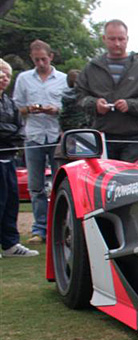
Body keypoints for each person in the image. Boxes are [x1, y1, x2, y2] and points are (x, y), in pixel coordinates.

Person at [76, 19, 138, 162]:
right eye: (112, 39)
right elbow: (79, 97)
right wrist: (94, 104)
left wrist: (131, 105)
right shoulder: (91, 69)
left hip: (137, 137)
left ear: (127, 39)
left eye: (121, 39)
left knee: (132, 182)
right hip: (103, 136)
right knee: (103, 182)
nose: (117, 43)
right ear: (104, 39)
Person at [13, 39, 66, 244]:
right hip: (34, 135)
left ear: (50, 57)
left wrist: (55, 110)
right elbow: (17, 107)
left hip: (56, 135)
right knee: (35, 186)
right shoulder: (24, 79)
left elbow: (69, 107)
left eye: (43, 59)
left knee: (58, 183)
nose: (41, 63)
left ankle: (58, 227)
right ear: (31, 59)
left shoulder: (62, 79)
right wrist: (30, 109)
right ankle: (39, 229)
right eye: (36, 60)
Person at [0, 60, 37, 258]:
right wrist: (11, 132)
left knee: (10, 202)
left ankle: (10, 244)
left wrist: (12, 134)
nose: (4, 78)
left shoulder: (9, 102)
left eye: (7, 75)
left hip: (8, 157)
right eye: (1, 73)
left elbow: (19, 127)